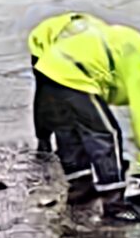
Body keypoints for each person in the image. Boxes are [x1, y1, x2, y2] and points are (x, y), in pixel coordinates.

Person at [32, 17, 140, 222]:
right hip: (71, 74)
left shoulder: (138, 46)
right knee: (107, 134)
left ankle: (80, 191)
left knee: (70, 131)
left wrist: (42, 137)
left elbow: (108, 83)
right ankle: (114, 206)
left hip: (49, 68)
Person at [27, 12, 108, 153]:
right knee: (48, 96)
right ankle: (43, 139)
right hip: (43, 44)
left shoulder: (107, 46)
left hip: (71, 43)